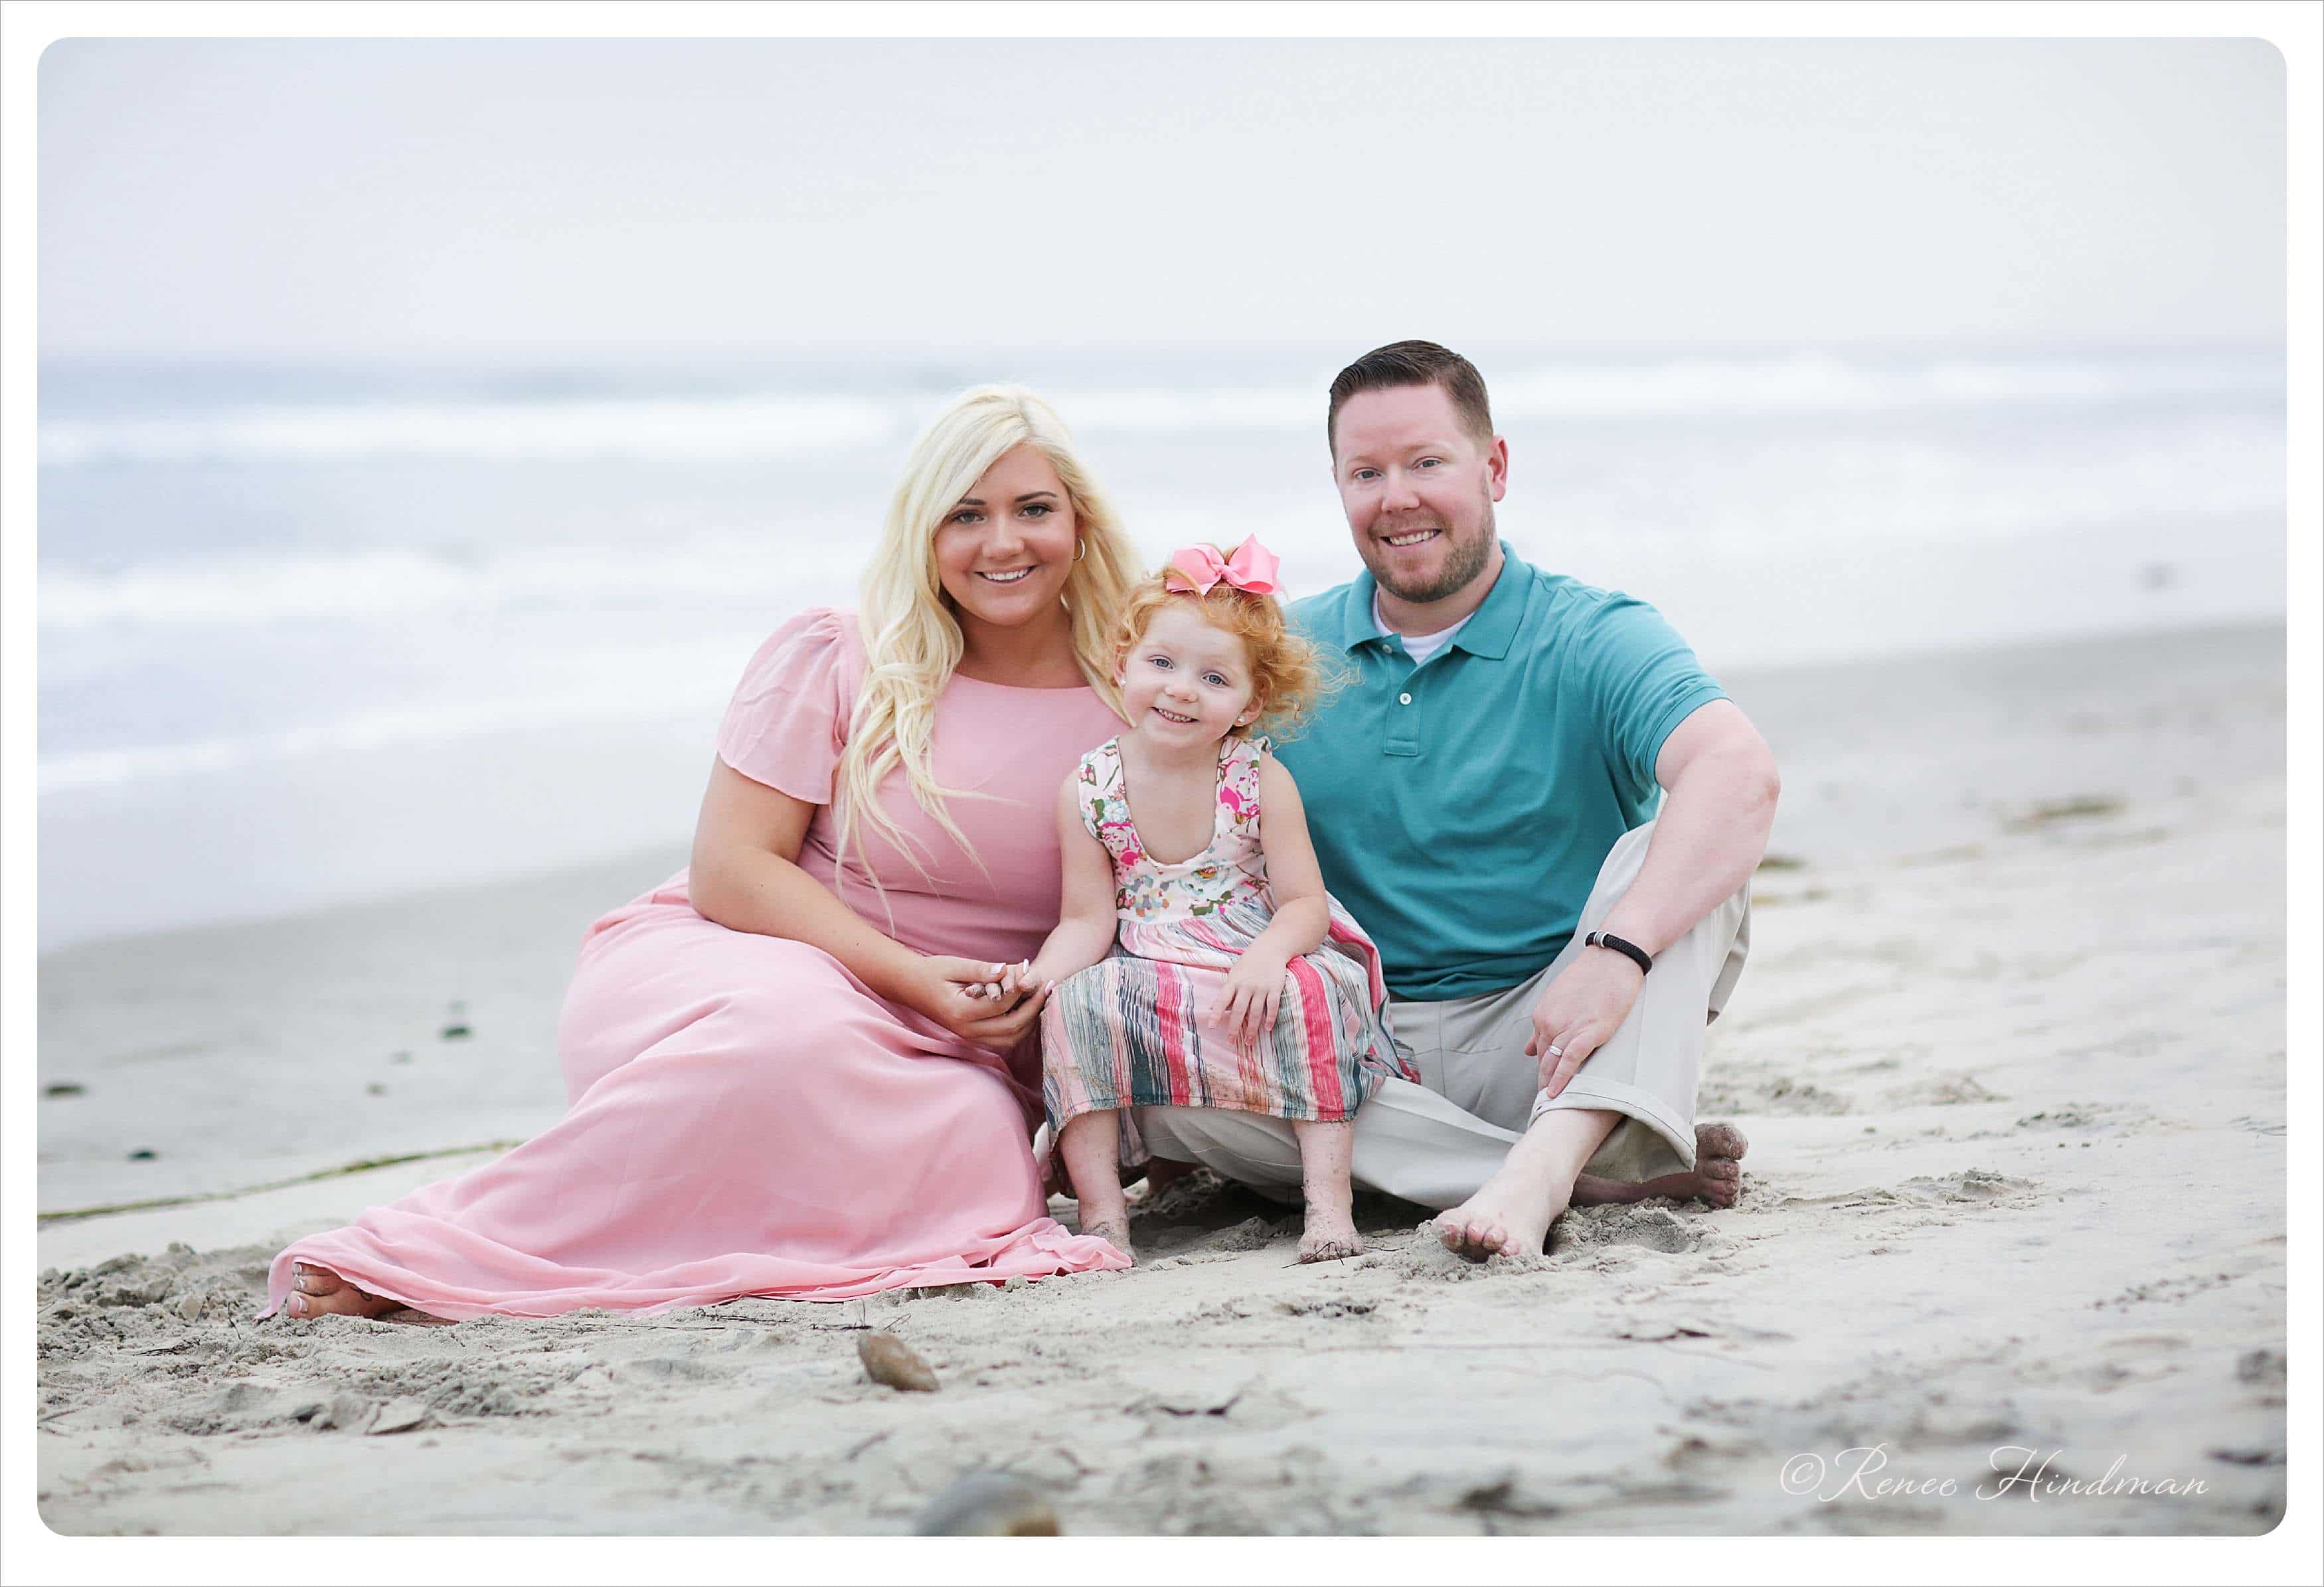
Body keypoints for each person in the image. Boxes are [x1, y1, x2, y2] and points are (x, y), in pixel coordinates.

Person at [268, 385, 1147, 1321]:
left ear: (1081, 521)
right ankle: (432, 1255)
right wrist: (910, 976)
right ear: (922, 533)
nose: (1002, 543)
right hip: (753, 957)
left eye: (1033, 509)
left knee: (975, 1146)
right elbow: (731, 867)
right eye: (965, 515)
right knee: (794, 1034)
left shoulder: (1140, 692)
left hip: (961, 1040)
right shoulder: (843, 657)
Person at [1135, 341, 1779, 1262]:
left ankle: (1543, 1164)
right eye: (1366, 472)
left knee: (1689, 860)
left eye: (1427, 461)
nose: (1396, 495)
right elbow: (1149, 796)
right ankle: (1584, 1164)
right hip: (1355, 1052)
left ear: (1495, 467)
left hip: (1556, 1037)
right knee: (1149, 1078)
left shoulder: (1595, 634)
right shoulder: (1280, 656)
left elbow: (1740, 772)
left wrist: (1617, 954)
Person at [990, 537, 1408, 1266]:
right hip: (1151, 954)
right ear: (1121, 661)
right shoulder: (1089, 787)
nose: (1181, 688)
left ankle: (1328, 1206)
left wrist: (1270, 955)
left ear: (1253, 701)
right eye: (1161, 663)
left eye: (1213, 677)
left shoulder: (1256, 778)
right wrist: (1040, 978)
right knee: (1076, 1003)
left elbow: (1305, 903)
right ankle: (1101, 1214)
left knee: (1310, 993)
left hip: (1252, 945)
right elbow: (1088, 919)